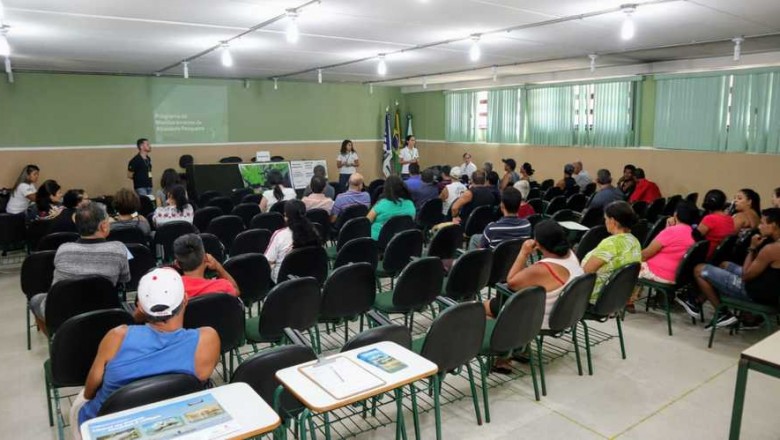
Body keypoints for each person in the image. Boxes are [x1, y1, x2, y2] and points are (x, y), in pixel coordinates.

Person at [70, 268, 220, 435]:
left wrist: (137, 317)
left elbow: (90, 392)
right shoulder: (207, 339)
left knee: (78, 404)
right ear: (185, 299)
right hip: (171, 420)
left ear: (140, 306)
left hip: (109, 427)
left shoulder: (116, 337)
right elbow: (199, 376)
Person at [28, 202, 131, 327]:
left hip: (64, 312)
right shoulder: (118, 249)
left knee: (35, 300)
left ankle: (56, 339)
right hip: (104, 309)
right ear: (104, 226)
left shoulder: (63, 250)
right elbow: (125, 279)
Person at [691, 208, 780, 328]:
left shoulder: (772, 249)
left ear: (774, 225)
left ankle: (722, 314)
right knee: (724, 264)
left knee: (699, 269)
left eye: (763, 223)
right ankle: (748, 317)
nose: (759, 227)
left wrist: (752, 248)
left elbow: (746, 275)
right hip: (771, 290)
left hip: (755, 292)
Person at [485, 219, 582, 328]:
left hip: (539, 318)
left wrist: (523, 253)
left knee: (482, 309)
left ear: (538, 243)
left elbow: (511, 282)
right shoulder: (571, 254)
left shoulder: (543, 269)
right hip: (565, 315)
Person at [581, 201, 642, 304]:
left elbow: (586, 272)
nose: (605, 222)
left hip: (595, 296)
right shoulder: (635, 242)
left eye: (605, 219)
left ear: (613, 221)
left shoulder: (611, 243)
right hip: (615, 298)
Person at [265, 200, 321, 283]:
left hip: (285, 280)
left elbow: (268, 261)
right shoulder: (314, 230)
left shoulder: (279, 235)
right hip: (310, 274)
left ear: (286, 216)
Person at [173, 234, 239, 298]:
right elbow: (236, 291)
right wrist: (218, 267)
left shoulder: (173, 290)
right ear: (205, 257)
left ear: (177, 264)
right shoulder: (222, 286)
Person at [367, 175, 415, 240]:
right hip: (400, 240)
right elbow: (411, 221)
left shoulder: (382, 204)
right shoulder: (410, 203)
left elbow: (366, 222)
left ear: (386, 188)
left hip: (378, 242)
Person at [697, 189, 734, 258]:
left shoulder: (710, 218)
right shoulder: (730, 218)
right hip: (718, 255)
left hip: (706, 254)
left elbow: (696, 236)